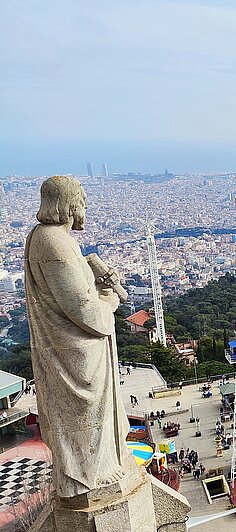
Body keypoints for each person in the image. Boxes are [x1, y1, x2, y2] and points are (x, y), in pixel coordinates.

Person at [24, 176, 131, 498]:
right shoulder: (54, 243)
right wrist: (110, 300)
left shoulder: (45, 238)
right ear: (69, 204)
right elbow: (89, 315)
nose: (85, 207)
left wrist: (97, 291)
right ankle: (89, 474)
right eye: (82, 200)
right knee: (86, 417)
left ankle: (95, 468)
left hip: (73, 350)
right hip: (76, 356)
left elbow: (73, 298)